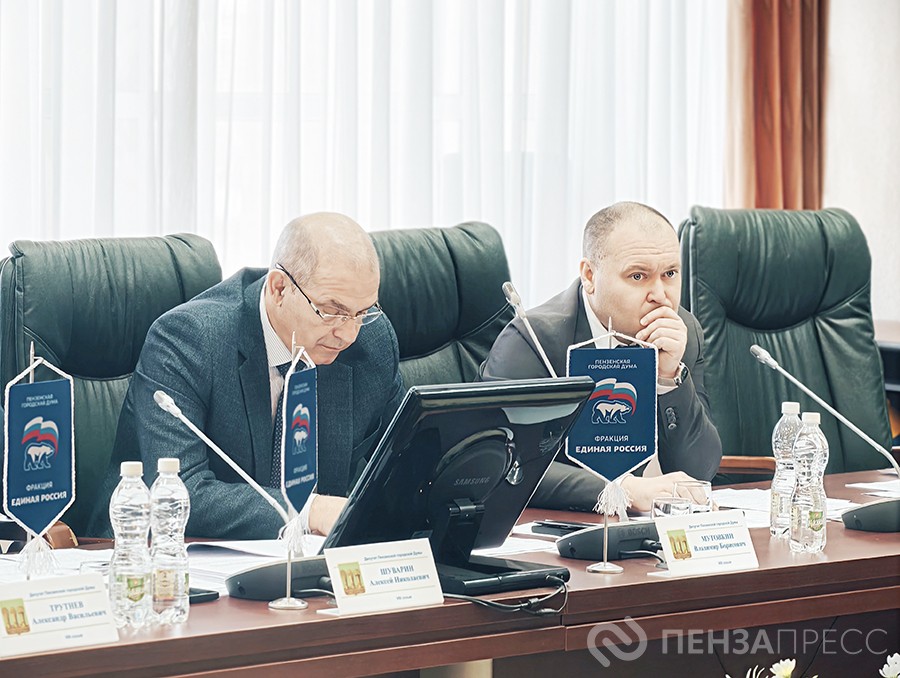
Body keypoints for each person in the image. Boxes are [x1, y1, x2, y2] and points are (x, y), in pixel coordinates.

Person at [87, 213, 404, 539]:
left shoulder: (372, 343)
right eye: (331, 311)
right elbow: (180, 494)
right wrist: (310, 512)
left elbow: (406, 465)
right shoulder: (189, 340)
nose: (349, 334)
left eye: (362, 312)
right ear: (279, 289)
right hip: (159, 553)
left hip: (309, 560)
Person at [481, 201, 722, 512]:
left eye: (670, 273)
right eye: (638, 276)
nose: (661, 295)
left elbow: (699, 470)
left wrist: (668, 378)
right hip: (563, 526)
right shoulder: (532, 341)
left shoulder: (680, 331)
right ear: (590, 276)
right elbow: (504, 464)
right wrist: (621, 491)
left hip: (649, 529)